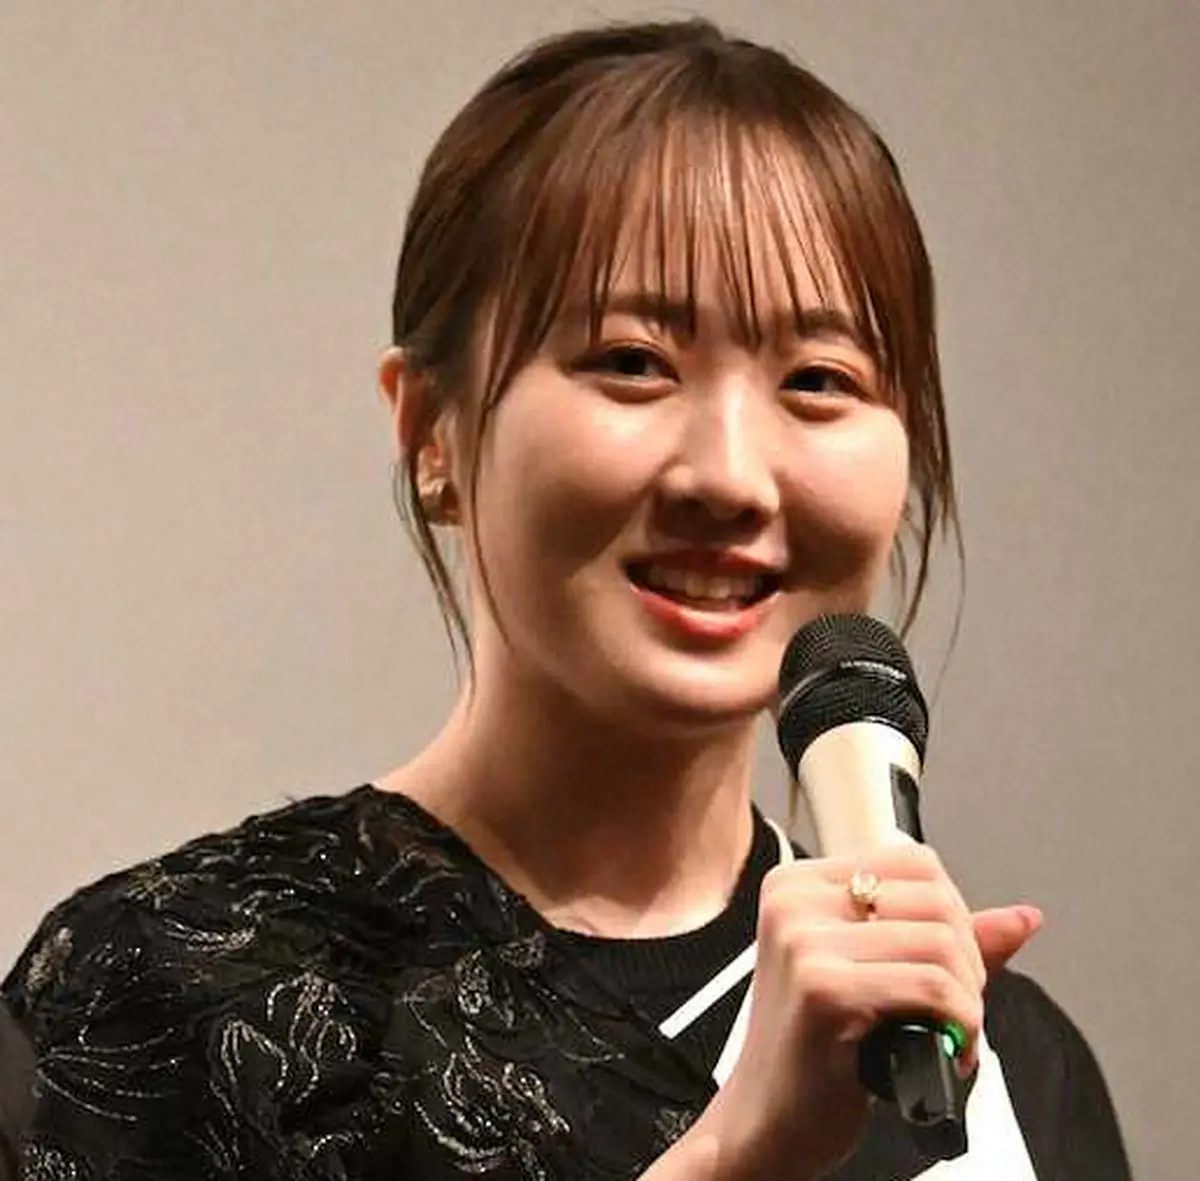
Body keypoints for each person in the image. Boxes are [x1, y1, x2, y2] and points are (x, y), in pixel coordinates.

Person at [0, 18, 1130, 1181]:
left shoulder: (996, 1064)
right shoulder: (161, 1000)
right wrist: (735, 1156)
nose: (730, 475)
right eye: (633, 361)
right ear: (430, 430)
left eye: (819, 379)